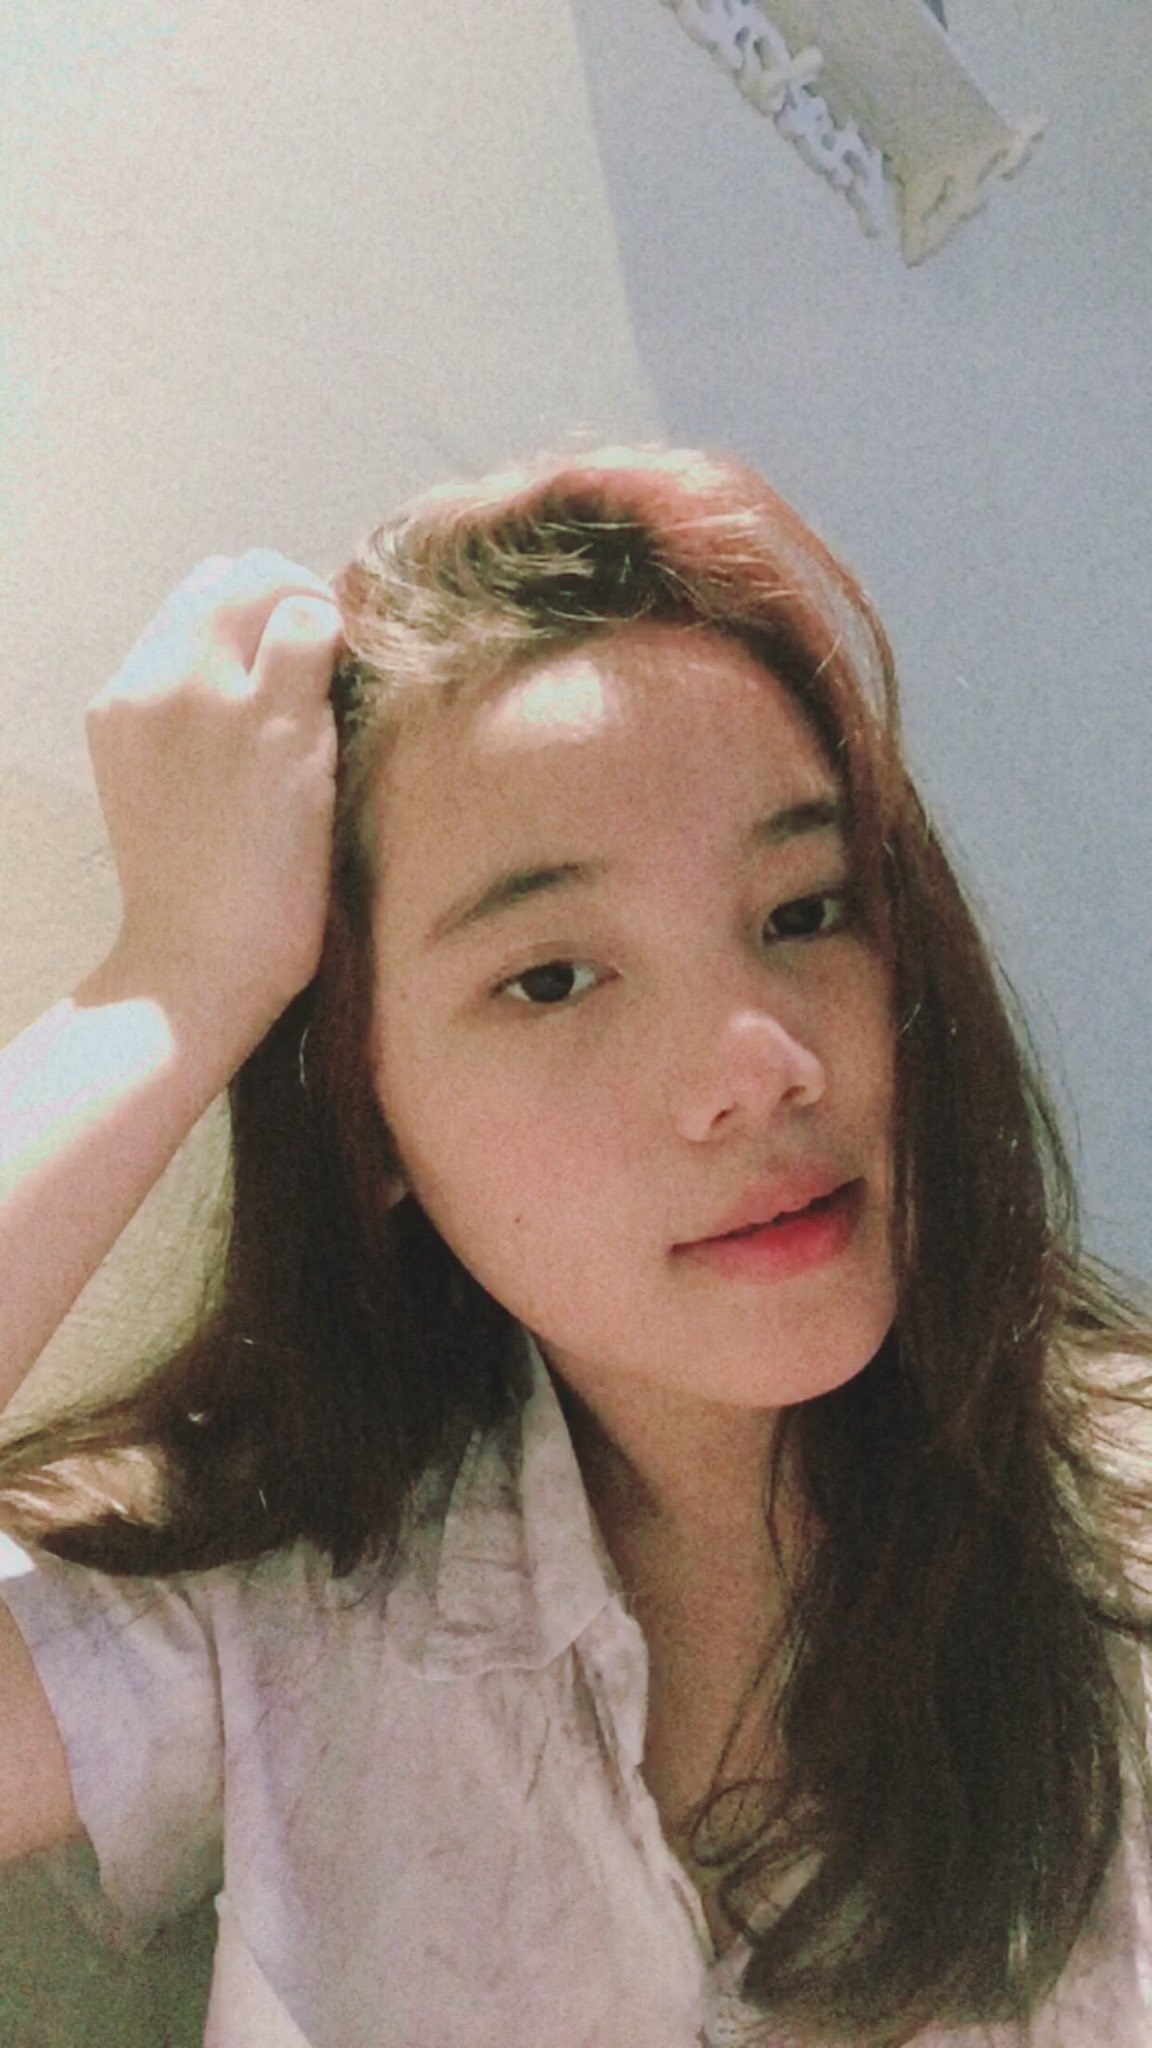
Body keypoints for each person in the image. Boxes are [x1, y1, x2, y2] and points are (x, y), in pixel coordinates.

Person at [0, 444, 1149, 2048]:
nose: (761, 1063)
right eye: (551, 979)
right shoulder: (279, 1599)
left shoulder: (1118, 1552)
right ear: (371, 1127)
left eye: (805, 910)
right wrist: (171, 982)